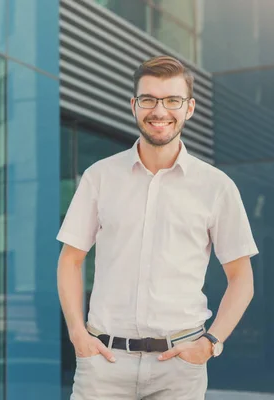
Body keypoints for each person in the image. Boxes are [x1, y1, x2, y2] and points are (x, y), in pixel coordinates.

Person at [56, 55, 258, 399]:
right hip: (103, 365)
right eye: (148, 99)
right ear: (134, 106)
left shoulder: (216, 186)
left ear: (189, 108)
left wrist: (210, 344)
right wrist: (77, 332)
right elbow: (70, 260)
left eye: (172, 100)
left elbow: (242, 279)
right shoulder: (100, 177)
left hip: (178, 369)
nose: (159, 111)